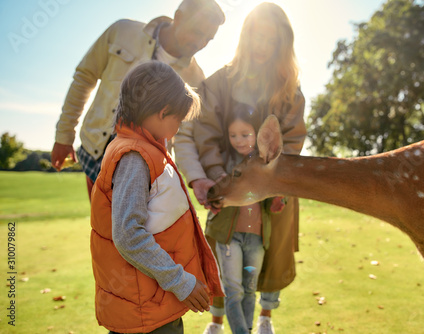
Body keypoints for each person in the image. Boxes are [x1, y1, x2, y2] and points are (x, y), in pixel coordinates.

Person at [192, 3, 307, 333]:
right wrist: (219, 178)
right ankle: (216, 323)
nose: (262, 46)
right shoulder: (219, 82)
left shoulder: (290, 90)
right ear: (245, 37)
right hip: (231, 185)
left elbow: (294, 139)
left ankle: (266, 319)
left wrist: (275, 183)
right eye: (257, 37)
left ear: (282, 45)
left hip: (276, 189)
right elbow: (206, 133)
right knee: (223, 256)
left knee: (273, 255)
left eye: (271, 40)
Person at [90, 61, 224, 334]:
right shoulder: (134, 157)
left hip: (154, 303)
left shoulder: (147, 150)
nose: (178, 129)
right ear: (163, 113)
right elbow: (128, 235)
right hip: (145, 313)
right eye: (179, 121)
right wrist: (181, 282)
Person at [51, 0, 225, 200]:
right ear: (178, 18)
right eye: (197, 32)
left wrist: (196, 179)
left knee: (130, 229)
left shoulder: (195, 78)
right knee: (103, 229)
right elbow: (84, 78)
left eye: (208, 39)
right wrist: (64, 136)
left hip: (145, 169)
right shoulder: (122, 31)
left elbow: (183, 136)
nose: (200, 43)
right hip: (97, 152)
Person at [203, 104, 286, 334]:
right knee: (234, 290)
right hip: (229, 238)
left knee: (249, 290)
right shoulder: (222, 163)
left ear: (258, 134)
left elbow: (270, 200)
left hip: (256, 238)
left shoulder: (265, 162)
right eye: (233, 135)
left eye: (245, 134)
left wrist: (278, 201)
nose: (239, 140)